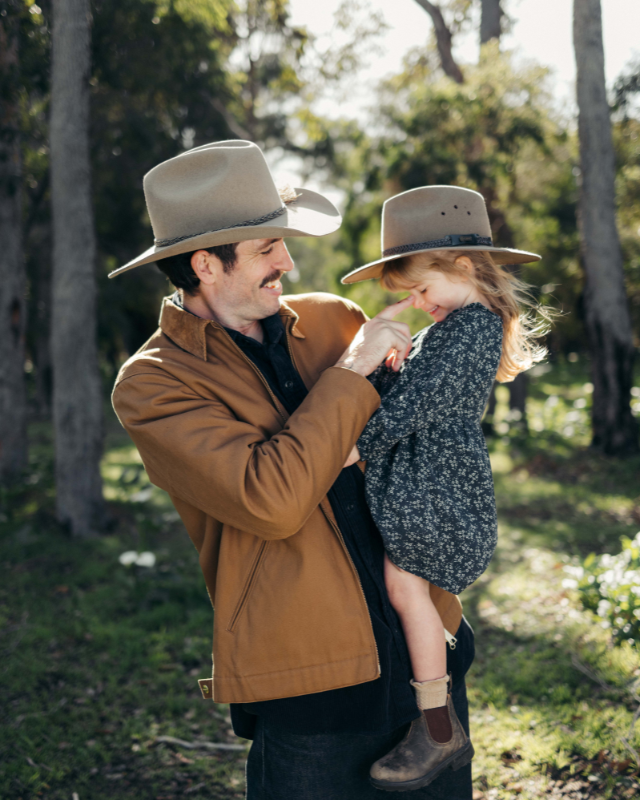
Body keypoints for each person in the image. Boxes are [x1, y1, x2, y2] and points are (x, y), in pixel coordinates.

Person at [110, 141, 476, 799]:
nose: (288, 261)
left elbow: (417, 432)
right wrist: (350, 374)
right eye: (266, 248)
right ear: (204, 264)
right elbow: (271, 499)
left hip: (429, 658)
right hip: (313, 687)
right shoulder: (153, 384)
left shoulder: (336, 320)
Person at [340, 185, 546, 791]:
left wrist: (353, 445)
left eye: (422, 291)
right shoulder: (459, 325)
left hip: (440, 489)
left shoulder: (470, 328)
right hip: (430, 480)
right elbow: (421, 386)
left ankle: (437, 727)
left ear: (462, 268)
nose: (419, 304)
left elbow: (415, 407)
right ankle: (435, 718)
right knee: (407, 590)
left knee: (405, 588)